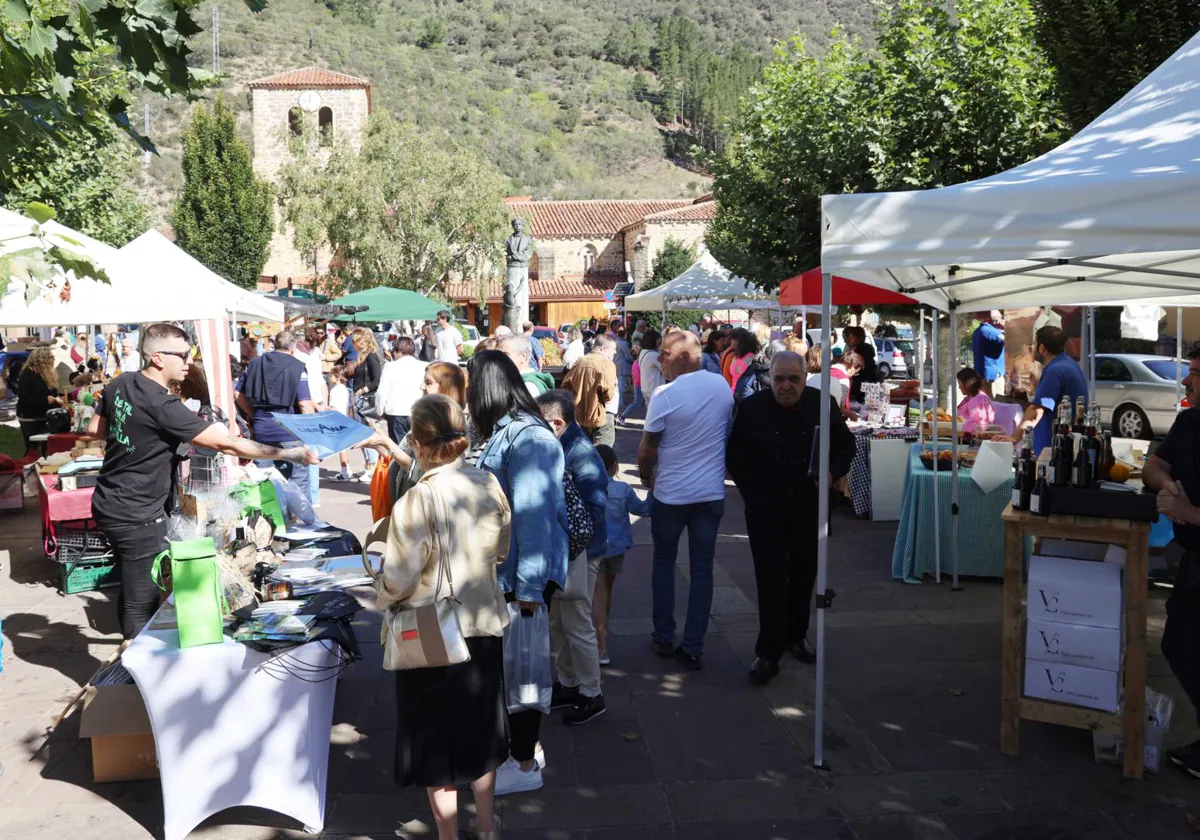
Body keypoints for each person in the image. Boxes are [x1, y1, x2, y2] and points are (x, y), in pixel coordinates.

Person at [93, 324, 316, 638]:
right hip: (137, 510)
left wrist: (149, 440)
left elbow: (95, 429)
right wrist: (291, 454)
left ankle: (133, 658)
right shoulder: (162, 405)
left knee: (131, 584)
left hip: (109, 499)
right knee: (140, 599)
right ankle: (133, 668)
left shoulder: (122, 382)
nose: (189, 362)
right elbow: (229, 444)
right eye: (183, 355)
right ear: (157, 358)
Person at [374, 394, 509, 840]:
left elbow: (398, 577)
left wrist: (379, 591)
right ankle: (487, 826)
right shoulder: (487, 482)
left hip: (431, 632)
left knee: (437, 746)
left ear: (417, 440)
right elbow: (502, 549)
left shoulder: (418, 498)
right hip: (484, 621)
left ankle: (449, 835)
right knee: (482, 733)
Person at [470, 350, 568, 796]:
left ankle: (524, 763)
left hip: (521, 578)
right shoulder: (514, 432)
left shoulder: (527, 438)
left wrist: (528, 591)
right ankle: (527, 751)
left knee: (523, 670)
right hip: (512, 575)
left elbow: (532, 518)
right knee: (517, 667)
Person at [727, 351, 855, 684]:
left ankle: (796, 635)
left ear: (803, 378)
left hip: (809, 505)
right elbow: (736, 456)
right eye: (779, 379)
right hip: (766, 508)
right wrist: (752, 493)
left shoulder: (821, 403)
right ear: (771, 377)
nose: (785, 386)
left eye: (793, 379)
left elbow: (846, 445)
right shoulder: (752, 407)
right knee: (769, 578)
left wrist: (831, 472)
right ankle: (768, 651)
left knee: (803, 574)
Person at [638, 330, 734, 669]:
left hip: (671, 495)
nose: (659, 359)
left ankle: (664, 636)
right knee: (702, 570)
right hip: (709, 494)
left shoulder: (666, 394)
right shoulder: (721, 385)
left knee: (664, 562)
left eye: (664, 354)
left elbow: (647, 449)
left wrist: (647, 479)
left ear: (682, 357)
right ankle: (693, 644)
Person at [535, 390, 609, 725]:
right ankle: (569, 683)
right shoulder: (565, 445)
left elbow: (594, 511)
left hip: (580, 552)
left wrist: (569, 549)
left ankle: (592, 694)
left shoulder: (580, 452)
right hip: (567, 551)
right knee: (559, 622)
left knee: (577, 623)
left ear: (556, 423)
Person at [1145, 351, 1200, 777]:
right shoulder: (1189, 422)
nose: (1186, 382)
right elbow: (1154, 464)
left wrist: (1190, 510)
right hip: (1194, 558)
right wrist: (1167, 489)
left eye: (1195, 375)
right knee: (1178, 643)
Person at [235, 329, 317, 498]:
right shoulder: (297, 367)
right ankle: (297, 520)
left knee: (264, 482)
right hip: (290, 432)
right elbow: (304, 404)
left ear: (274, 345)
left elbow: (237, 394)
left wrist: (253, 414)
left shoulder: (254, 364)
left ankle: (272, 521)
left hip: (262, 431)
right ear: (293, 348)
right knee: (297, 484)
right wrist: (311, 433)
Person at [592, 443, 649, 667]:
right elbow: (643, 510)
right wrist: (654, 488)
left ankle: (601, 645)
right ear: (614, 466)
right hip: (617, 548)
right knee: (607, 591)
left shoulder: (587, 487)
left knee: (599, 593)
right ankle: (602, 632)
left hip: (595, 547)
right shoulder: (623, 489)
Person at [996, 326, 1086, 454]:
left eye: (1034, 343)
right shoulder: (1069, 365)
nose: (1033, 348)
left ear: (1042, 348)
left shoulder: (1055, 371)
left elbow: (1037, 410)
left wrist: (1015, 437)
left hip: (1055, 452)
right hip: (1063, 447)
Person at [562, 334, 618, 447]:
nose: (615, 352)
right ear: (604, 349)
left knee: (585, 453)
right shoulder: (607, 364)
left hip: (582, 415)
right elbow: (608, 394)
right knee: (603, 455)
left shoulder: (580, 361)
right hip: (603, 414)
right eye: (614, 349)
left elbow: (566, 386)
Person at [376, 336, 427, 444]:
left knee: (399, 450)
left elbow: (381, 392)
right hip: (419, 412)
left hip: (396, 413)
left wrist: (380, 411)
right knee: (419, 448)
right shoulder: (424, 366)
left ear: (399, 351)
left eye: (394, 351)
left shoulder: (390, 366)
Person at [350, 327, 383, 482]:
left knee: (369, 432)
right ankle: (369, 465)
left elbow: (377, 379)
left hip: (367, 399)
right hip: (359, 398)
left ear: (360, 341)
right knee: (361, 433)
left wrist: (364, 389)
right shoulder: (361, 357)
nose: (352, 343)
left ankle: (373, 465)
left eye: (354, 340)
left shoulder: (371, 357)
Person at [16, 347, 63, 449]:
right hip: (30, 417)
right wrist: (45, 399)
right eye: (50, 359)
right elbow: (24, 397)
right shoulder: (28, 374)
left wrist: (58, 400)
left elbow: (52, 392)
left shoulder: (47, 374)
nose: (53, 361)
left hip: (45, 415)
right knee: (33, 447)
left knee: (47, 446)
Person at [328, 365, 356, 481]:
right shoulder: (347, 390)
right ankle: (347, 469)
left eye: (331, 375)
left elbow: (333, 407)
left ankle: (344, 472)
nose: (329, 378)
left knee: (341, 449)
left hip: (337, 421)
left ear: (337, 377)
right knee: (343, 447)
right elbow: (350, 407)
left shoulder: (334, 390)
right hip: (345, 419)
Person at [973, 310, 1006, 396]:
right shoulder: (990, 331)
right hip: (993, 375)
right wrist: (1005, 327)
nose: (1002, 320)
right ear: (995, 320)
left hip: (984, 373)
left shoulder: (979, 330)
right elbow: (1010, 340)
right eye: (1001, 318)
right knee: (996, 402)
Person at [957, 368, 996, 435]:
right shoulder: (970, 397)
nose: (959, 387)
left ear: (967, 384)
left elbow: (981, 425)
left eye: (960, 383)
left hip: (970, 438)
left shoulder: (979, 398)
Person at [727, 330, 759, 396]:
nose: (731, 342)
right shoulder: (737, 356)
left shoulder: (751, 358)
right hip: (736, 393)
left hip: (743, 395)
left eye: (734, 339)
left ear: (740, 342)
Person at [612, 325, 635, 417]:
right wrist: (632, 361)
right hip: (623, 364)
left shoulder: (615, 342)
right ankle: (620, 400)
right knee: (621, 383)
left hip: (615, 363)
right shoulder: (624, 343)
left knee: (618, 383)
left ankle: (619, 400)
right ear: (624, 335)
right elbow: (627, 356)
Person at [637, 329, 664, 401]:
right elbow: (665, 369)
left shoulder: (643, 352)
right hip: (654, 388)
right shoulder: (654, 355)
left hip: (645, 387)